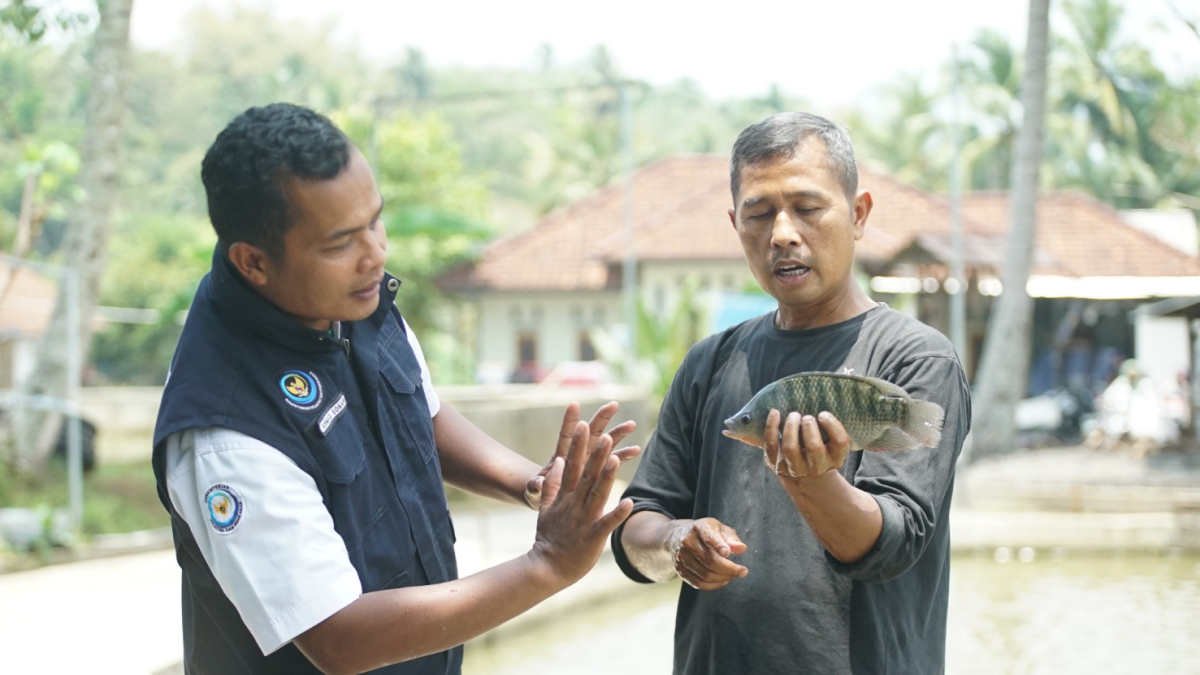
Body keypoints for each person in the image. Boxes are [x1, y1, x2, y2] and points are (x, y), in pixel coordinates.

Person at [151, 102, 640, 674]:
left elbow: (418, 413)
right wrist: (548, 565)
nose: (375, 254)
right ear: (254, 262)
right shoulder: (226, 431)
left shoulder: (350, 298)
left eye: (375, 222)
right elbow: (340, 637)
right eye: (339, 243)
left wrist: (532, 484)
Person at [611, 112, 971, 673]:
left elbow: (895, 542)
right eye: (759, 213)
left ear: (857, 214)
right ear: (736, 224)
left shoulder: (918, 359)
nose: (782, 233)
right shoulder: (710, 363)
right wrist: (677, 540)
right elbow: (639, 522)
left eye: (807, 208)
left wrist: (811, 482)